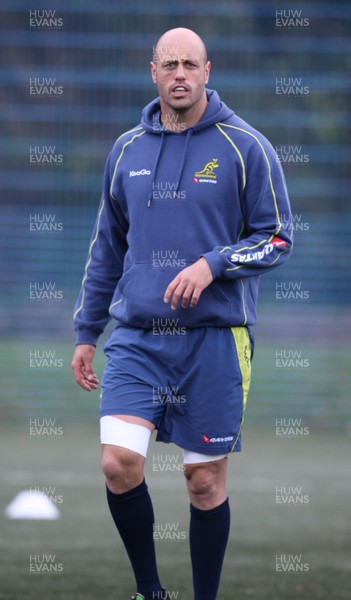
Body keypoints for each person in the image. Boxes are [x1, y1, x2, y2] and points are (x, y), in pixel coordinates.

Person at [71, 27, 293, 600]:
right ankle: (151, 592)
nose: (179, 74)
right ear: (153, 72)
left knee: (203, 481)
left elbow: (276, 240)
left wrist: (212, 264)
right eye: (169, 63)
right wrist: (85, 331)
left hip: (214, 342)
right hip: (139, 339)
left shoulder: (246, 147)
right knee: (119, 464)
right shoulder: (126, 150)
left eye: (189, 64)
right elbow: (106, 249)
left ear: (207, 71)